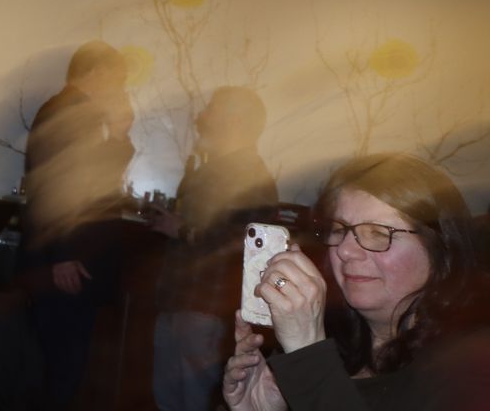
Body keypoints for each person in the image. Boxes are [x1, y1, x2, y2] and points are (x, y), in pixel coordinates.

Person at [224, 152, 490, 410]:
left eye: (377, 233)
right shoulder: (329, 346)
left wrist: (307, 352)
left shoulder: (471, 365)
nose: (345, 250)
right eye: (340, 230)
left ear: (440, 248)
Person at [21, 39, 136, 409]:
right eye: (117, 80)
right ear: (98, 74)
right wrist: (65, 254)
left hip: (61, 258)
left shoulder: (61, 109)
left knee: (53, 367)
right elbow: (69, 187)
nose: (119, 90)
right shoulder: (75, 113)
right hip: (69, 262)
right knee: (62, 369)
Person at [153, 86, 281, 411]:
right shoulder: (215, 169)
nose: (202, 116)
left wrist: (182, 229)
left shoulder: (249, 175)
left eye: (212, 110)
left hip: (206, 312)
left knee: (197, 402)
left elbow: (240, 245)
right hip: (181, 304)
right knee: (171, 401)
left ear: (235, 120)